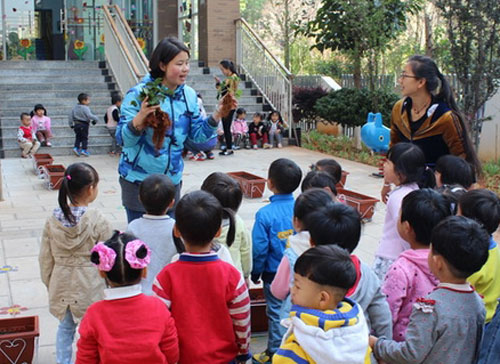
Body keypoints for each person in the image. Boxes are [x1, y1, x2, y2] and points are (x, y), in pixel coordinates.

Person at [117, 37, 233, 223]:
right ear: (162, 65)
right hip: (138, 182)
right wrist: (140, 118)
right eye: (179, 64)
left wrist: (217, 115)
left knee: (170, 238)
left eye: (187, 63)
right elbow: (124, 141)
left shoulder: (189, 95)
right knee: (139, 246)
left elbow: (197, 137)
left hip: (171, 182)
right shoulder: (139, 94)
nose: (186, 68)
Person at [370, 216, 489, 364]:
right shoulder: (477, 303)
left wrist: (377, 344)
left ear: (437, 262)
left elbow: (410, 354)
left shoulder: (430, 307)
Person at [152, 191, 251, 364]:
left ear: (176, 230)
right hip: (223, 358)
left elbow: (158, 322)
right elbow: (242, 318)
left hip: (182, 358)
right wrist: (243, 351)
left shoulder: (165, 277)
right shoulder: (232, 276)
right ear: (218, 231)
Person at [39, 162, 112, 364]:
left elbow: (45, 258)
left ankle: (64, 361)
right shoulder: (98, 219)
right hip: (90, 284)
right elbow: (108, 257)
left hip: (61, 281)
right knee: (94, 327)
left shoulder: (52, 220)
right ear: (90, 189)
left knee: (65, 326)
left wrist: (50, 282)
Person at [382, 54, 481, 202]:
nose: (400, 80)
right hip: (408, 189)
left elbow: (462, 159)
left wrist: (469, 197)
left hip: (438, 195)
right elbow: (394, 149)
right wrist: (387, 182)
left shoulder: (445, 118)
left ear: (421, 82)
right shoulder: (399, 109)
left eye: (404, 76)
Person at [76, 233, 179, 364]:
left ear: (102, 273)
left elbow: (85, 360)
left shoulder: (94, 314)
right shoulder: (158, 308)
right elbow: (172, 355)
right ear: (144, 271)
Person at [304, 202, 393, 339]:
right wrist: (384, 349)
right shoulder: (367, 274)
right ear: (355, 241)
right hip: (358, 347)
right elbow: (382, 317)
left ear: (312, 242)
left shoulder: (306, 275)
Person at [272, 245, 370, 364]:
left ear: (322, 298)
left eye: (297, 286)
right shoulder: (358, 333)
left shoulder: (296, 348)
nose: (292, 290)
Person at [382, 189, 451, 341]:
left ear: (407, 227)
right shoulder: (450, 263)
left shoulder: (401, 268)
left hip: (399, 349)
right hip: (433, 343)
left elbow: (387, 313)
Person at [251, 158, 302, 363]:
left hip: (274, 275)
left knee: (274, 312)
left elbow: (260, 248)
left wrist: (256, 272)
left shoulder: (264, 214)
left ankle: (274, 352)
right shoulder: (301, 207)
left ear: (269, 183)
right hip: (300, 272)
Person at [271, 189, 335, 323]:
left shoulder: (292, 252)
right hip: (327, 319)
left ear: (296, 221)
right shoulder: (335, 251)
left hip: (294, 318)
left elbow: (278, 290)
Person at [373, 142, 433, 280]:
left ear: (401, 172)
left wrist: (412, 255)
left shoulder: (399, 198)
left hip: (390, 258)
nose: (384, 165)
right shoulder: (412, 189)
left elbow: (408, 231)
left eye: (388, 162)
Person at [126, 174, 177, 295]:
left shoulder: (133, 227)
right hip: (167, 292)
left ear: (139, 199)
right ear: (171, 203)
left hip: (140, 291)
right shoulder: (176, 228)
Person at [458, 189, 500, 324]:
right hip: (490, 315)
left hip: (473, 321)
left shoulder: (471, 261)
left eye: (458, 214)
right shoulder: (495, 250)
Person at [201, 172, 252, 280]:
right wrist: (246, 275)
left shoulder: (199, 222)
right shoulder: (239, 223)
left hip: (207, 279)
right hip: (234, 281)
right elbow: (246, 252)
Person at [215, 59, 240, 156]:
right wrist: (218, 82)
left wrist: (223, 99)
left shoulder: (233, 77)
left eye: (222, 69)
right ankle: (228, 147)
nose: (222, 72)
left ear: (227, 68)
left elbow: (231, 91)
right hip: (226, 104)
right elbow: (221, 89)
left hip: (229, 104)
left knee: (227, 126)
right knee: (225, 126)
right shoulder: (228, 78)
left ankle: (229, 148)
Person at [69, 93, 99, 157]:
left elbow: (70, 116)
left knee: (78, 137)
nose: (89, 101)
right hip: (84, 125)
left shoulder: (74, 108)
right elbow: (89, 115)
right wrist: (96, 119)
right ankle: (84, 150)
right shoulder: (85, 108)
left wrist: (71, 124)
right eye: (88, 100)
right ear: (83, 101)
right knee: (84, 138)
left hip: (76, 125)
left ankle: (76, 148)